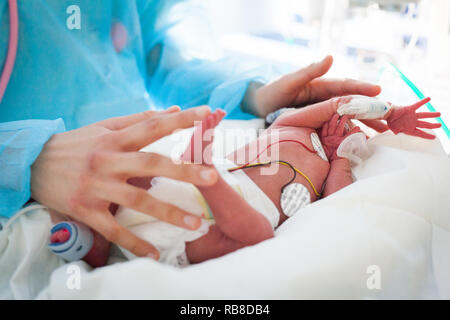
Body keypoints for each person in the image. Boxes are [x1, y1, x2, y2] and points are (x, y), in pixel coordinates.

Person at [0, 0, 382, 260]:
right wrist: (27, 158)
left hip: (146, 162)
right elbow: (252, 232)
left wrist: (255, 96)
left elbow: (160, 52)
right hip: (26, 198)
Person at [48, 95, 441, 267]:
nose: (344, 127)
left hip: (243, 215)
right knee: (138, 172)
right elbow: (342, 104)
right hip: (192, 185)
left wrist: (341, 158)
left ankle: (87, 248)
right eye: (336, 125)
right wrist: (387, 112)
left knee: (254, 236)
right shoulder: (290, 125)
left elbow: (335, 205)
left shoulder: (333, 165)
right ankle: (91, 244)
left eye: (348, 131)